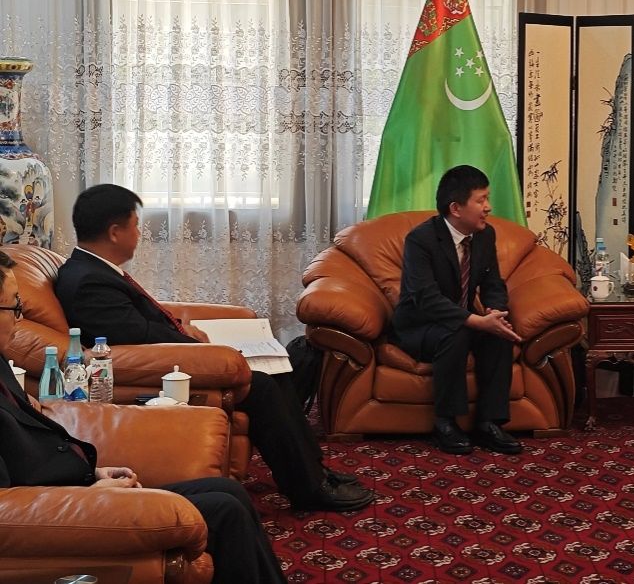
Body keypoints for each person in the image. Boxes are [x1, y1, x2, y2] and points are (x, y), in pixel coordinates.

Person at [54, 184, 373, 512]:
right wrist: (201, 347)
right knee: (262, 385)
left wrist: (185, 329)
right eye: (136, 225)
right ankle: (308, 488)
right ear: (115, 232)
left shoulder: (94, 270)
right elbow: (139, 339)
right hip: (153, 375)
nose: (139, 233)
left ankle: (314, 472)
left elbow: (140, 325)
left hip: (170, 356)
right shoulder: (89, 282)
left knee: (278, 371)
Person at [0, 251, 286, 584]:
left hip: (74, 485)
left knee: (227, 491)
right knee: (225, 511)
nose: (20, 318)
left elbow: (32, 443)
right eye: (14, 307)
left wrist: (92, 473)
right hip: (54, 510)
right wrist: (91, 494)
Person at [392, 165, 524, 455]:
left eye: (487, 198)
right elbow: (426, 298)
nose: (488, 207)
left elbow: (493, 283)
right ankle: (446, 423)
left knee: (498, 335)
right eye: (481, 200)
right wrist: (475, 321)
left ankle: (489, 422)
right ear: (455, 208)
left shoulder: (485, 235)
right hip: (420, 325)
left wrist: (495, 313)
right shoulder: (421, 240)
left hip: (462, 320)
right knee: (456, 334)